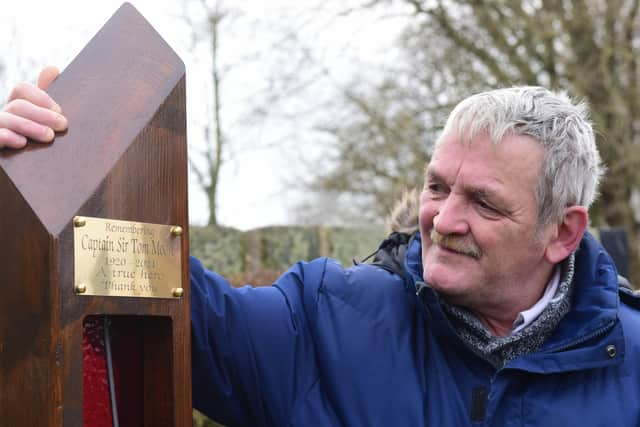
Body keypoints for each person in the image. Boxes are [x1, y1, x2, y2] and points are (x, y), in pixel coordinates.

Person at [3, 69, 640, 426]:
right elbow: (167, 295)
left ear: (563, 232)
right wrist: (57, 167)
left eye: (484, 202)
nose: (444, 219)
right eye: (437, 187)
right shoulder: (322, 320)